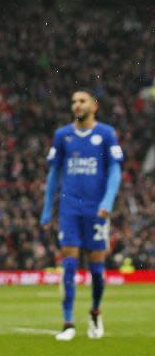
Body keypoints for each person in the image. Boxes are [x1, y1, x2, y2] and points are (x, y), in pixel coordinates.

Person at [40, 89, 123, 341]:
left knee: (97, 269)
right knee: (69, 264)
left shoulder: (106, 134)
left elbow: (115, 171)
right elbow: (54, 174)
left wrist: (107, 201)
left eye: (82, 101)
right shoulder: (62, 135)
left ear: (94, 106)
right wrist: (47, 210)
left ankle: (95, 312)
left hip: (96, 209)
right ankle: (68, 323)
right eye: (74, 101)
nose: (77, 104)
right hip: (70, 208)